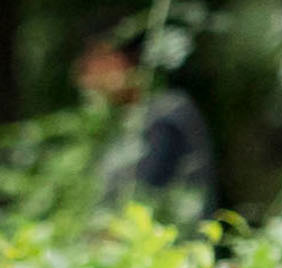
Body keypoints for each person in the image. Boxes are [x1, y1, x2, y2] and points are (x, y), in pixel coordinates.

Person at [78, 21, 216, 225]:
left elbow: (144, 196)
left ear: (123, 61)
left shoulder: (166, 115)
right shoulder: (133, 119)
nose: (86, 75)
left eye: (97, 60)